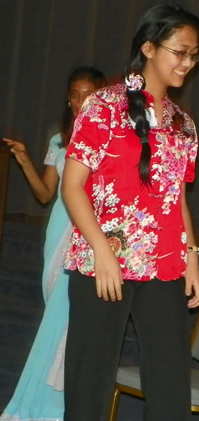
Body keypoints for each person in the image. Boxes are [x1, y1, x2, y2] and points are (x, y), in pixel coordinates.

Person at [61, 4, 199, 421]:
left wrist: (190, 255)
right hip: (101, 265)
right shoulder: (103, 107)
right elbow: (72, 187)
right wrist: (103, 251)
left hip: (163, 265)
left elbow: (176, 197)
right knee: (89, 387)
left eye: (194, 55)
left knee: (170, 385)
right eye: (180, 52)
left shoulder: (184, 124)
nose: (188, 63)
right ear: (148, 47)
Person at [1, 66, 106, 421]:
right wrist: (24, 158)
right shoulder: (59, 141)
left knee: (63, 323)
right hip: (57, 236)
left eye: (89, 93)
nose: (81, 101)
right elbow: (46, 194)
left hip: (84, 238)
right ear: (68, 98)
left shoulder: (109, 140)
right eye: (75, 94)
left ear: (101, 95)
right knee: (56, 320)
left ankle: (45, 408)